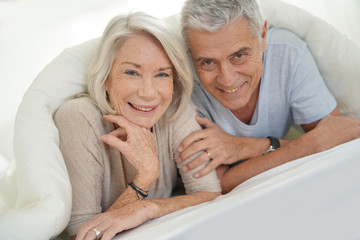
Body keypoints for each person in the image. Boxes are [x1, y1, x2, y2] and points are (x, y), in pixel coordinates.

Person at [54, 12, 221, 240]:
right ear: (105, 78)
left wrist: (148, 208)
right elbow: (82, 237)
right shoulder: (79, 117)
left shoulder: (174, 108)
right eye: (132, 72)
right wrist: (144, 179)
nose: (148, 92)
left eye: (162, 74)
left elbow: (209, 193)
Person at [176, 0, 360, 193]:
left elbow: (338, 137)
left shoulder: (287, 54)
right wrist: (308, 146)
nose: (228, 79)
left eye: (238, 56)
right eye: (208, 62)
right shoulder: (183, 85)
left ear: (262, 36)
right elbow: (218, 183)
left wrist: (244, 147)